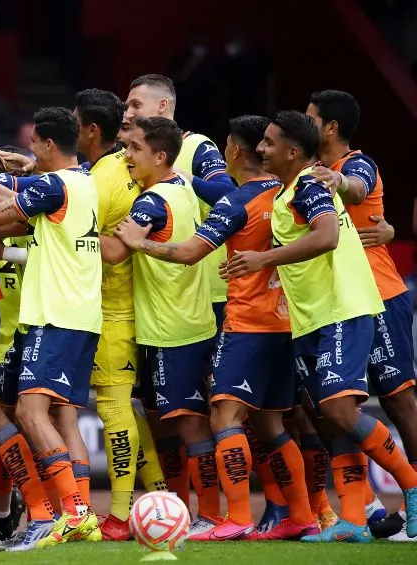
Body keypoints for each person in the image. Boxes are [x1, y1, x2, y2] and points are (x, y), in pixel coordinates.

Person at [114, 115, 318, 541]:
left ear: (234, 151)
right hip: (288, 319)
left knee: (223, 414)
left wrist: (141, 243)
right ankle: (302, 515)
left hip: (247, 322)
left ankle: (236, 516)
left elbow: (190, 252)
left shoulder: (237, 201)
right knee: (271, 424)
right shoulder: (288, 192)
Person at [224, 110, 417, 543]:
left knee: (339, 410)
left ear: (293, 151)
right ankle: (352, 519)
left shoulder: (310, 183)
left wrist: (264, 259)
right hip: (311, 319)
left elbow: (327, 235)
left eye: (270, 143)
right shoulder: (285, 192)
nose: (261, 148)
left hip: (343, 310)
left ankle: (412, 483)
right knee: (332, 421)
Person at [0, 107, 103, 548]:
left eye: (34, 145)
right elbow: (10, 190)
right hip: (74, 314)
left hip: (57, 315)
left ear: (49, 144)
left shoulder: (55, 185)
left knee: (31, 413)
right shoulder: (83, 181)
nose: (30, 153)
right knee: (31, 412)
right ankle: (67, 515)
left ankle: (72, 513)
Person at [306, 90, 417, 541]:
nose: (304, 122)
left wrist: (339, 185)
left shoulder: (356, 164)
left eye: (311, 118)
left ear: (330, 127)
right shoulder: (306, 175)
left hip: (381, 296)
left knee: (399, 401)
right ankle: (361, 511)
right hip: (338, 304)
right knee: (335, 407)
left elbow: (358, 185)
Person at [100, 117, 219, 538]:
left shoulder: (150, 202)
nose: (127, 156)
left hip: (173, 327)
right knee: (169, 421)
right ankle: (180, 511)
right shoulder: (183, 185)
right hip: (184, 318)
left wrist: (71, 236)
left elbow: (114, 252)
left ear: (160, 156)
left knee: (189, 422)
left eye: (134, 149)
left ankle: (211, 514)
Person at [122, 74, 235, 509]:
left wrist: (180, 179)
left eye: (135, 105)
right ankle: (178, 509)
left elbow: (229, 195)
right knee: (164, 414)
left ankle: (222, 511)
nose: (128, 112)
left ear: (163, 107)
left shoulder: (197, 149)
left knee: (207, 413)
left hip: (198, 296)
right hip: (159, 304)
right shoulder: (132, 157)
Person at [73, 88, 167, 541]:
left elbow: (107, 249)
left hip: (113, 310)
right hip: (122, 307)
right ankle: (162, 498)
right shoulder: (110, 171)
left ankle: (119, 515)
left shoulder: (105, 177)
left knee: (114, 411)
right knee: (127, 411)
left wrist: (20, 252)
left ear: (91, 129)